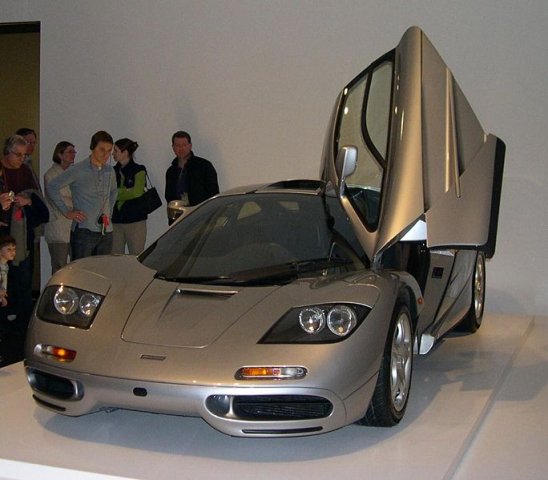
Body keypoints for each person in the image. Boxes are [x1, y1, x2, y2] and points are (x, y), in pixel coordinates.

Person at [47, 131, 117, 260]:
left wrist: (109, 212)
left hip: (106, 231)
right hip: (84, 231)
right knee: (81, 270)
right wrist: (66, 212)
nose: (106, 155)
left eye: (109, 151)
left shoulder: (110, 170)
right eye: (102, 150)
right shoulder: (78, 169)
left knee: (103, 269)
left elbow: (113, 192)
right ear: (92, 148)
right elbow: (52, 186)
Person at [0, 135, 49, 321]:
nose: (22, 159)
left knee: (23, 274)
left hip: (22, 232)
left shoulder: (26, 171)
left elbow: (39, 204)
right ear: (7, 152)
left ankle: (22, 317)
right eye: (18, 155)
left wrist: (27, 201)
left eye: (24, 155)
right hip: (3, 231)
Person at [164, 131, 219, 224]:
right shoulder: (171, 171)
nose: (181, 148)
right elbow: (168, 196)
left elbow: (213, 193)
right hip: (177, 218)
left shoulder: (204, 166)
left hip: (201, 216)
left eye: (184, 145)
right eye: (177, 145)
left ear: (190, 146)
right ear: (173, 148)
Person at [43, 141, 76, 272]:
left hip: (74, 225)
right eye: (70, 152)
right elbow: (58, 198)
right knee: (59, 266)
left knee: (77, 265)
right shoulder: (51, 174)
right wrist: (74, 201)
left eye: (74, 152)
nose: (73, 155)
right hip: (58, 225)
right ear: (60, 154)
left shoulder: (74, 173)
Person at [111, 138, 148, 254]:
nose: (112, 153)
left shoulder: (139, 170)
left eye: (116, 150)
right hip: (115, 221)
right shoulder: (111, 171)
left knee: (136, 256)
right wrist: (127, 191)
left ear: (125, 152)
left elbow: (137, 192)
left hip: (135, 221)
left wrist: (117, 192)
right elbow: (108, 193)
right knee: (115, 257)